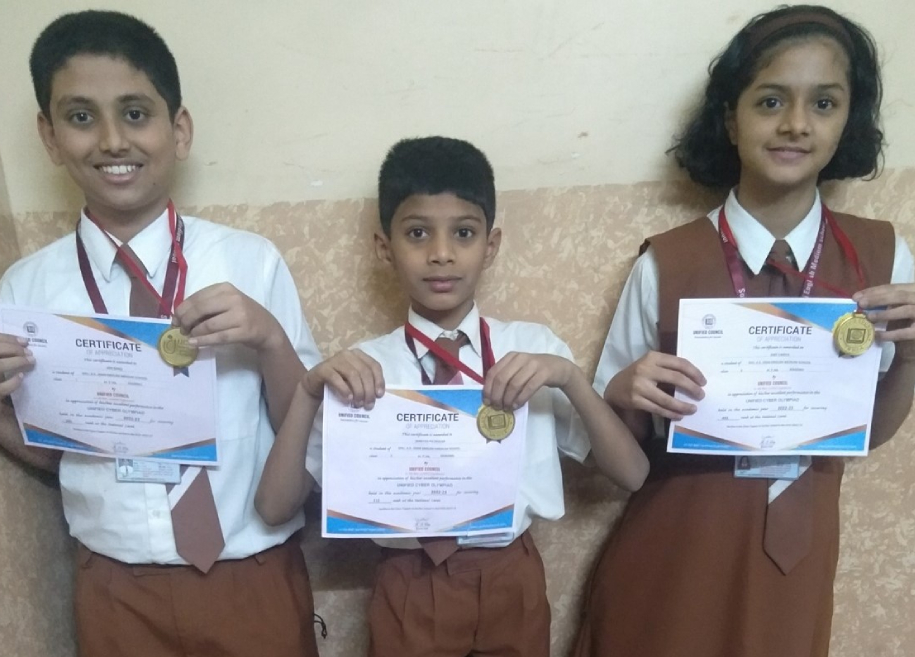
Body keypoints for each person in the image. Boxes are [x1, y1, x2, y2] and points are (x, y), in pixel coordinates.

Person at [575, 5, 915, 656]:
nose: (795, 124)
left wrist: (912, 356)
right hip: (673, 557)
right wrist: (620, 389)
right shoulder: (663, 263)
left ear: (849, 119)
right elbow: (610, 460)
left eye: (823, 102)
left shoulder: (884, 260)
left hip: (800, 561)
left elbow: (869, 434)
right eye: (769, 101)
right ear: (730, 118)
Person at [0, 10, 322, 657]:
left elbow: (305, 428)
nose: (112, 140)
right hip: (115, 585)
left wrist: (268, 339)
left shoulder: (249, 261)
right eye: (81, 116)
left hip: (249, 574)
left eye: (136, 113)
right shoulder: (26, 290)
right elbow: (55, 450)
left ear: (179, 130)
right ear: (49, 136)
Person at [255, 136, 649, 657]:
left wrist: (570, 377)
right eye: (417, 233)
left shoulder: (533, 351)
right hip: (408, 580)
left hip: (511, 578)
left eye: (463, 233)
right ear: (383, 246)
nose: (441, 253)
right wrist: (308, 391)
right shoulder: (360, 370)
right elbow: (274, 508)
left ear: (491, 244)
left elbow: (633, 474)